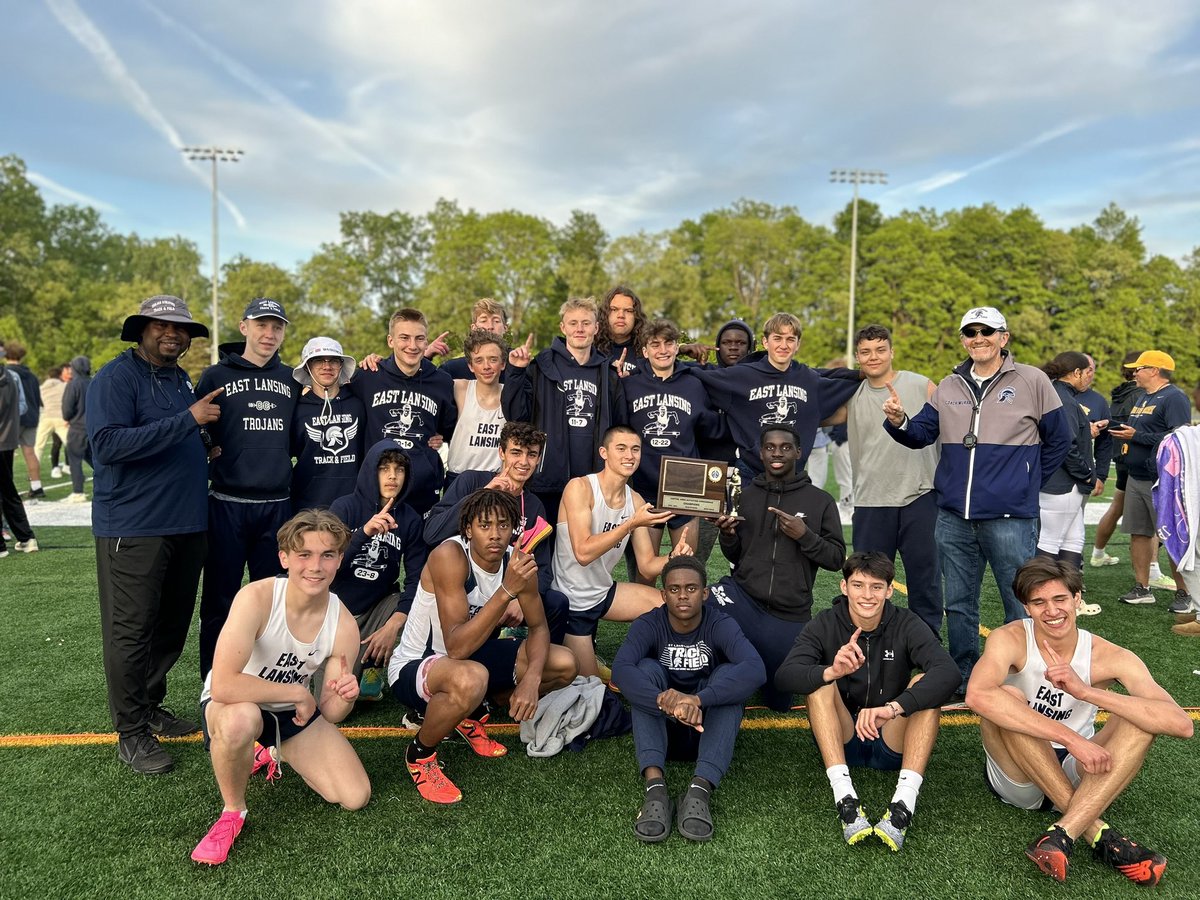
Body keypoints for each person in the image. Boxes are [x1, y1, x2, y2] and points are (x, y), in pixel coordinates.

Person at [966, 557, 1192, 886]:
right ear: (1026, 607)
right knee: (1007, 700)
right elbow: (977, 696)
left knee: (1140, 716)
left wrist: (1086, 692)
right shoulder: (1010, 638)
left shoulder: (1109, 655)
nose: (1052, 611)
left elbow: (1180, 724)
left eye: (1060, 599)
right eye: (1039, 602)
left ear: (1077, 599)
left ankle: (1062, 835)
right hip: (1018, 776)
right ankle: (1098, 832)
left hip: (1079, 772)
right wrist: (1072, 739)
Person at [883, 306, 1070, 697]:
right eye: (971, 332)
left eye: (988, 331)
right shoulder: (950, 384)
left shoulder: (1033, 380)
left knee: (1019, 600)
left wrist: (1025, 482)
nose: (978, 338)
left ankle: (1026, 677)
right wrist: (900, 420)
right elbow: (920, 434)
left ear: (1004, 338)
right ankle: (964, 675)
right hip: (953, 515)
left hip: (1010, 517)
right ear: (964, 339)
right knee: (959, 603)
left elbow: (1060, 439)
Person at [192, 509, 370, 866]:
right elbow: (225, 684)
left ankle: (272, 751)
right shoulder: (257, 598)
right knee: (241, 720)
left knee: (355, 796)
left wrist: (344, 693)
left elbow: (332, 712)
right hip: (236, 701)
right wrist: (297, 693)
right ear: (284, 558)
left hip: (290, 711)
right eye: (304, 554)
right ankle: (233, 813)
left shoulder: (344, 624)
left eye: (327, 555)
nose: (315, 566)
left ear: (339, 561)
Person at [87, 295, 218, 773]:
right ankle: (131, 732)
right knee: (131, 631)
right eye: (162, 326)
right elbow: (106, 445)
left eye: (182, 329)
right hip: (134, 527)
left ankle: (149, 706)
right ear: (141, 329)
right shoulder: (115, 377)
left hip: (186, 524)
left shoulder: (180, 378)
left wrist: (203, 442)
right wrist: (188, 421)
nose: (174, 334)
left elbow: (173, 434)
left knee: (169, 626)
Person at [387, 489, 578, 804]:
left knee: (564, 663)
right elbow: (457, 647)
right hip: (418, 664)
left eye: (503, 525)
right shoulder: (449, 556)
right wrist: (505, 591)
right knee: (470, 676)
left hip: (470, 662)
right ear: (467, 529)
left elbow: (540, 627)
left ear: (513, 529)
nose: (495, 534)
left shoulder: (516, 564)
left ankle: (472, 713)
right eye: (484, 525)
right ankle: (420, 755)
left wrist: (531, 680)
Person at [775, 552, 958, 850]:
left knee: (924, 686)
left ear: (889, 590)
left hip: (890, 737)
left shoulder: (907, 623)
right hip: (843, 738)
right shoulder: (825, 623)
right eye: (858, 585)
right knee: (821, 684)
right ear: (844, 587)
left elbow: (948, 672)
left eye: (876, 587)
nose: (867, 595)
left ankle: (903, 806)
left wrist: (894, 707)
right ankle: (845, 799)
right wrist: (832, 670)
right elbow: (785, 676)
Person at [612, 556, 765, 843]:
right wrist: (663, 701)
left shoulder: (720, 623)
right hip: (663, 731)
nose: (683, 595)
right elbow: (621, 671)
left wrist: (697, 700)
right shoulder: (650, 623)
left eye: (692, 589)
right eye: (674, 589)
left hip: (706, 731)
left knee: (730, 674)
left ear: (705, 594)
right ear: (663, 594)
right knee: (645, 670)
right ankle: (655, 787)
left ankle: (700, 788)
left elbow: (755, 669)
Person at [196, 297, 299, 678]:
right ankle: (213, 683)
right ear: (244, 328)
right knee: (219, 602)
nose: (269, 334)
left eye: (277, 327)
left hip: (276, 506)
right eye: (262, 325)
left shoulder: (293, 378)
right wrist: (210, 449)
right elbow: (196, 426)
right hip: (226, 504)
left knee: (272, 605)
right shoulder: (215, 377)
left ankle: (263, 682)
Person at [710, 425, 846, 710]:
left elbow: (836, 559)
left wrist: (804, 535)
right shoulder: (745, 496)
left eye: (785, 447)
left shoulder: (820, 501)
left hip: (788, 614)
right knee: (701, 602)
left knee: (779, 700)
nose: (777, 453)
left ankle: (759, 664)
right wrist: (728, 535)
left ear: (798, 452)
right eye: (770, 447)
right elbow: (735, 555)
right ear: (761, 453)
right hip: (743, 600)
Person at [554, 425, 691, 677]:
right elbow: (583, 553)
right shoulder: (580, 487)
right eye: (621, 448)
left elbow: (647, 565)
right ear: (604, 453)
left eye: (635, 449)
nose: (629, 455)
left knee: (672, 604)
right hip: (572, 601)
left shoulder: (635, 500)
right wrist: (629, 524)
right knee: (590, 687)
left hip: (604, 592)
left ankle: (655, 667)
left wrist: (674, 558)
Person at [835, 324, 940, 636]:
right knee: (867, 584)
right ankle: (868, 648)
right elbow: (811, 411)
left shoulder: (922, 385)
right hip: (871, 501)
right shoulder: (851, 394)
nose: (874, 357)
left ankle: (927, 651)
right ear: (857, 357)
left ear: (892, 352)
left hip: (919, 497)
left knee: (925, 581)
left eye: (880, 350)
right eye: (866, 352)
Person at [424, 421, 567, 644]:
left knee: (557, 602)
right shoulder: (472, 481)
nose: (523, 462)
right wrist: (482, 495)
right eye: (516, 452)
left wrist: (521, 599)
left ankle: (542, 666)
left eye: (531, 454)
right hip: (468, 587)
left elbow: (543, 568)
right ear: (501, 452)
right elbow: (432, 533)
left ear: (538, 459)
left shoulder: (534, 505)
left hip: (510, 590)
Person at [692, 313, 860, 480]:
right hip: (751, 474)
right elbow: (690, 372)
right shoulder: (742, 376)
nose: (784, 345)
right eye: (777, 338)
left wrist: (865, 374)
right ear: (766, 342)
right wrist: (681, 349)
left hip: (793, 476)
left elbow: (837, 380)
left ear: (798, 344)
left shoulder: (809, 379)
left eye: (790, 339)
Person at [502, 297, 625, 522]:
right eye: (573, 323)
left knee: (585, 551)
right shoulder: (541, 366)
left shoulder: (607, 373)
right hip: (547, 480)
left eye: (586, 323)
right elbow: (516, 416)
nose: (580, 329)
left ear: (596, 328)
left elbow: (619, 426)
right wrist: (516, 372)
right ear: (563, 327)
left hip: (592, 480)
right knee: (544, 548)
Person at [620, 318, 722, 582]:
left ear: (678, 347)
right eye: (655, 344)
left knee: (685, 565)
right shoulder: (629, 384)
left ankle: (680, 622)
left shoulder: (694, 383)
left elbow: (710, 428)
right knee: (645, 571)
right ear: (644, 350)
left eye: (669, 343)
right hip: (644, 486)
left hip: (684, 484)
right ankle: (645, 622)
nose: (663, 350)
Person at [328, 441, 429, 697]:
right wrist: (363, 533)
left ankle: (375, 667)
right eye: (384, 468)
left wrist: (394, 624)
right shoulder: (343, 507)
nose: (392, 476)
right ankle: (345, 662)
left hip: (378, 610)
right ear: (371, 471)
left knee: (418, 608)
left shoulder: (409, 519)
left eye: (399, 469)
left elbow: (417, 580)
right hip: (335, 612)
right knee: (333, 709)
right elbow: (327, 567)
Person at [350, 308, 457, 516]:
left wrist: (440, 437)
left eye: (419, 339)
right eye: (404, 338)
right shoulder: (368, 376)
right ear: (390, 341)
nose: (412, 345)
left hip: (422, 490)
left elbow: (449, 428)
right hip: (376, 489)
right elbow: (333, 393)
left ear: (426, 342)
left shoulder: (441, 381)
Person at [1109, 350, 1193, 609]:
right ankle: (1142, 587)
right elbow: (1141, 429)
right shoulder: (1144, 396)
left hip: (1162, 479)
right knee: (1139, 532)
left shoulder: (1175, 398)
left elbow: (1179, 439)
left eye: (1140, 368)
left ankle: (1184, 593)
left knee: (1172, 536)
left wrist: (1137, 437)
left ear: (1155, 371)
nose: (1135, 372)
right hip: (1137, 476)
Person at [1036, 352, 1098, 575]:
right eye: (1086, 373)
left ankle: (1070, 597)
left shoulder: (1053, 393)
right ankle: (1041, 595)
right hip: (1061, 484)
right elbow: (1066, 445)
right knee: (1050, 542)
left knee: (1073, 539)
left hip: (1055, 482)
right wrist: (1087, 474)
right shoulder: (1064, 399)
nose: (1089, 378)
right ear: (1076, 372)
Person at [289, 337, 364, 513]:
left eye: (333, 361)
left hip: (352, 504)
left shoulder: (358, 405)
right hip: (308, 507)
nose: (327, 366)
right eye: (318, 361)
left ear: (341, 365)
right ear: (308, 366)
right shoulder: (297, 409)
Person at [1089, 351, 1141, 569]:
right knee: (1149, 514)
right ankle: (1154, 570)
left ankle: (1098, 553)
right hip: (1137, 457)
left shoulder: (1121, 393)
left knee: (1117, 506)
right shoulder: (1140, 395)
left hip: (1121, 456)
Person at [445, 329, 507, 486]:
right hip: (459, 478)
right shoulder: (460, 388)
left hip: (496, 478)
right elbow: (421, 380)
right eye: (479, 360)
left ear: (503, 364)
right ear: (470, 366)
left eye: (493, 359)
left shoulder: (511, 395)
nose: (486, 366)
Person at [0, 342, 37, 556]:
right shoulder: (11, 377)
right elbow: (21, 407)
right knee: (8, 491)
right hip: (8, 440)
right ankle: (26, 537)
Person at [2, 342, 44, 501]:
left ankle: (8, 489)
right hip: (31, 416)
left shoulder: (7, 373)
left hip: (12, 418)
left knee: (7, 454)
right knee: (30, 452)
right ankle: (36, 486)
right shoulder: (31, 375)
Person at [439, 297, 509, 380]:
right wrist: (426, 356)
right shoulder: (452, 369)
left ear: (505, 328)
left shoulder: (518, 364)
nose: (490, 326)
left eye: (496, 321)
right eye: (483, 321)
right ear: (473, 328)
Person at [61, 355, 92, 503]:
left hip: (78, 428)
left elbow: (67, 410)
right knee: (96, 460)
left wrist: (68, 418)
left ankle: (78, 492)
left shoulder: (73, 384)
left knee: (74, 460)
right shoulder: (95, 382)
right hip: (94, 428)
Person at [35, 362, 70, 483]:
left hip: (46, 417)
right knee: (71, 446)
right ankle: (74, 470)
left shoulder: (41, 387)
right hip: (61, 418)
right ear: (60, 375)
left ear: (49, 376)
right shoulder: (65, 386)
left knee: (39, 446)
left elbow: (39, 403)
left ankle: (33, 472)